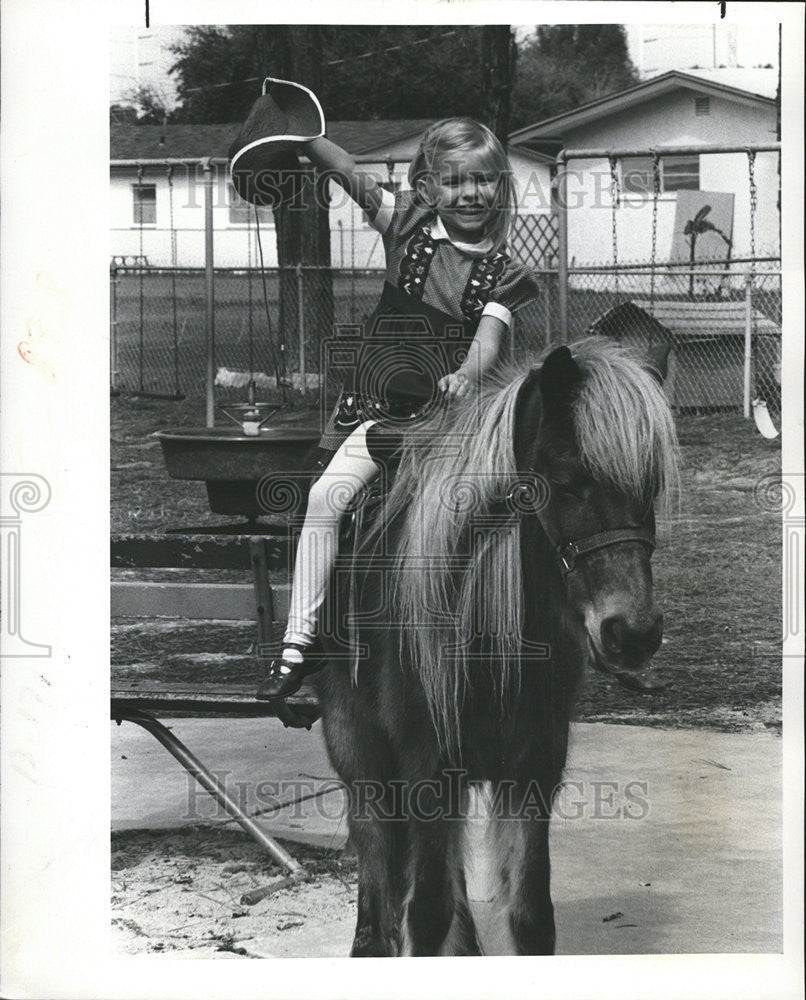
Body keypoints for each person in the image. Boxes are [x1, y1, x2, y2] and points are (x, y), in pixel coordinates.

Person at [257, 116, 541, 699]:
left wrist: (465, 374)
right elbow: (347, 172)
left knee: (474, 517)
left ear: (501, 186)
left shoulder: (502, 272)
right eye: (455, 181)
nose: (470, 194)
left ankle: (484, 634)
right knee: (325, 498)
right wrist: (301, 136)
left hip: (443, 422)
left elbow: (488, 338)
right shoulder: (407, 225)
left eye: (484, 180)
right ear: (429, 186)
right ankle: (300, 639)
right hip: (379, 409)